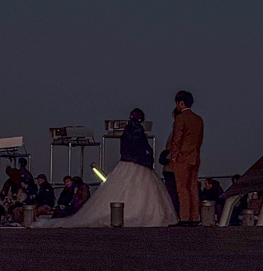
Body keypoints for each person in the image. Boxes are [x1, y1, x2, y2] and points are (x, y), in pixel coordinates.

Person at [38, 108, 177, 228]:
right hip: (140, 166)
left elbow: (126, 150)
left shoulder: (126, 132)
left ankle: (122, 215)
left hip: (126, 165)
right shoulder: (138, 132)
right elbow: (143, 149)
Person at [169, 90, 205, 225]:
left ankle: (184, 218)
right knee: (193, 187)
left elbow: (177, 139)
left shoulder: (181, 118)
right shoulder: (198, 119)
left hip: (182, 158)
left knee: (182, 188)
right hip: (195, 157)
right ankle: (195, 217)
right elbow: (200, 139)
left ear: (181, 103)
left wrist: (174, 156)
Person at [160, 107, 181, 216]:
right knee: (174, 194)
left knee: (173, 194)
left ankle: (176, 215)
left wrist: (167, 156)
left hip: (173, 167)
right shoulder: (176, 130)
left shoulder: (177, 131)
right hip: (173, 167)